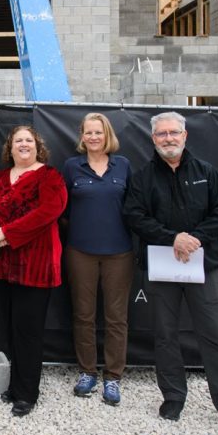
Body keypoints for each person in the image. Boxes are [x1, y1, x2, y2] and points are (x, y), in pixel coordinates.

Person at [123, 111, 218, 435]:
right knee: (165, 336)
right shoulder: (143, 177)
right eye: (161, 134)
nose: (168, 139)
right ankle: (173, 397)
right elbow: (134, 215)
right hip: (161, 267)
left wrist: (194, 238)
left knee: (215, 335)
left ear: (185, 136)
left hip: (204, 266)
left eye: (174, 133)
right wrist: (172, 238)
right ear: (153, 139)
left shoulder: (206, 173)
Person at [0, 125, 67, 417]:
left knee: (28, 332)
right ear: (10, 148)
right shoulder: (0, 177)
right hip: (3, 266)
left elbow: (48, 212)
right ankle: (14, 386)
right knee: (10, 330)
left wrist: (8, 233)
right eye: (19, 141)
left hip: (36, 265)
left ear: (37, 146)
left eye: (29, 140)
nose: (24, 145)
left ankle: (27, 394)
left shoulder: (49, 177)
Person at [61, 113, 133, 406]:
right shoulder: (71, 167)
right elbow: (62, 210)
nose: (93, 137)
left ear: (107, 136)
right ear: (82, 136)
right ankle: (87, 372)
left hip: (119, 252)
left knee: (116, 318)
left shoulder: (123, 165)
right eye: (88, 133)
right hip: (80, 251)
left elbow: (132, 207)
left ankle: (113, 377)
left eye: (98, 133)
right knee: (83, 315)